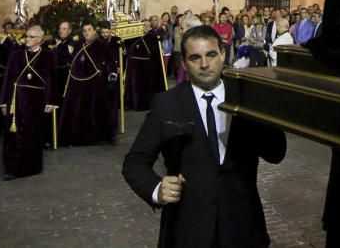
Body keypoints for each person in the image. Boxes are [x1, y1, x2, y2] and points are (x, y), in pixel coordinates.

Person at [122, 26, 287, 248]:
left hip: (243, 226)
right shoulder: (166, 104)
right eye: (195, 57)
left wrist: (263, 108)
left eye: (211, 55)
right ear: (184, 63)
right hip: (188, 229)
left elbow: (276, 153)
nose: (204, 64)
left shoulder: (247, 98)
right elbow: (135, 162)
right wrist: (156, 188)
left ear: (222, 54)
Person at [0, 26, 59, 180]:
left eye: (31, 37)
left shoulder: (48, 56)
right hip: (15, 99)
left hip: (36, 100)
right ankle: (10, 168)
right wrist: (3, 102)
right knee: (12, 135)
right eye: (26, 36)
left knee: (33, 134)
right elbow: (8, 78)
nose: (27, 39)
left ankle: (30, 167)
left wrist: (51, 101)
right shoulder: (16, 55)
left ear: (40, 39)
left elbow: (52, 80)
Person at [58, 22, 118, 146]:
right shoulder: (79, 45)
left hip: (95, 83)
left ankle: (95, 136)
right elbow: (73, 61)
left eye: (89, 30)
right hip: (78, 82)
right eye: (84, 30)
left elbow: (110, 62)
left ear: (95, 31)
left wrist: (112, 77)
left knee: (95, 110)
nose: (86, 33)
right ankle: (76, 136)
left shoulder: (102, 45)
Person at [125, 19, 167, 111]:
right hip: (136, 67)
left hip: (148, 67)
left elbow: (155, 52)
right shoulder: (135, 36)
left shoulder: (152, 37)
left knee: (147, 87)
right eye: (143, 25)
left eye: (147, 25)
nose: (145, 27)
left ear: (150, 26)